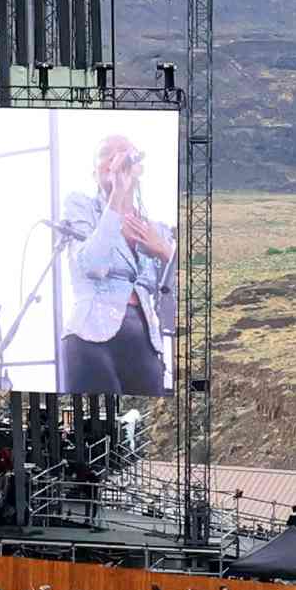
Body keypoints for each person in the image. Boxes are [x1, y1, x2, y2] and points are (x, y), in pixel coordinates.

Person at [60, 134, 175, 395]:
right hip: (90, 337)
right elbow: (92, 264)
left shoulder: (156, 229)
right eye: (105, 153)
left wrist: (166, 252)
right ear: (94, 172)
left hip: (144, 343)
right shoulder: (81, 207)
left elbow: (174, 308)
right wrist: (117, 198)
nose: (114, 158)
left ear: (138, 167)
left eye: (123, 152)